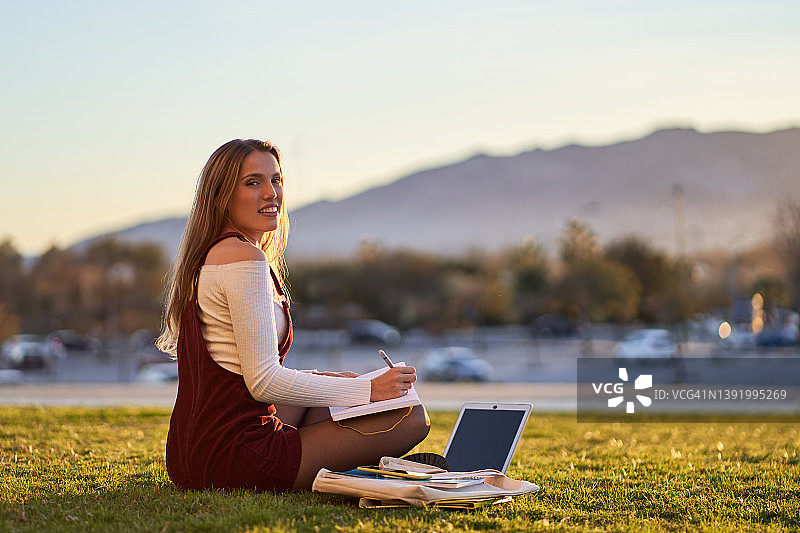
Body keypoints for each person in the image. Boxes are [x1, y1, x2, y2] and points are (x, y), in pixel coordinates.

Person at [157, 139, 430, 491]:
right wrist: (368, 389)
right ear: (221, 195)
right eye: (253, 182)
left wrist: (344, 383)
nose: (271, 193)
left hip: (192, 453)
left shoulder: (218, 254)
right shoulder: (243, 259)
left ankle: (360, 465)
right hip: (232, 455)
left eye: (276, 180)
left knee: (326, 405)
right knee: (410, 417)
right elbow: (264, 382)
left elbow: (243, 376)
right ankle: (367, 469)